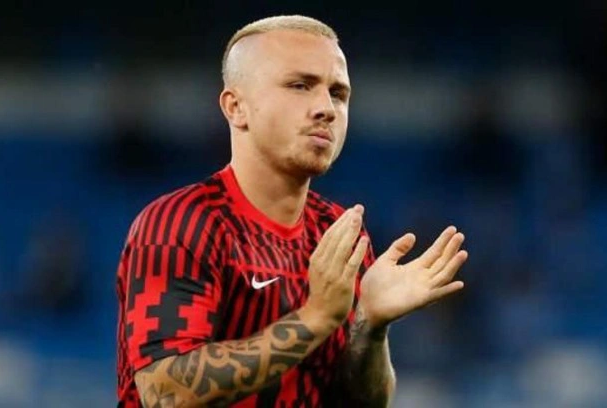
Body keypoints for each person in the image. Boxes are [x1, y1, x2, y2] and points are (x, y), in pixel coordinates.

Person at [116, 15, 469, 408]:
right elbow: (165, 393)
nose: (326, 108)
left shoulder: (338, 234)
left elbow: (361, 404)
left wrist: (370, 326)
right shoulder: (181, 224)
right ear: (236, 107)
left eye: (338, 93)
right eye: (300, 86)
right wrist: (315, 318)